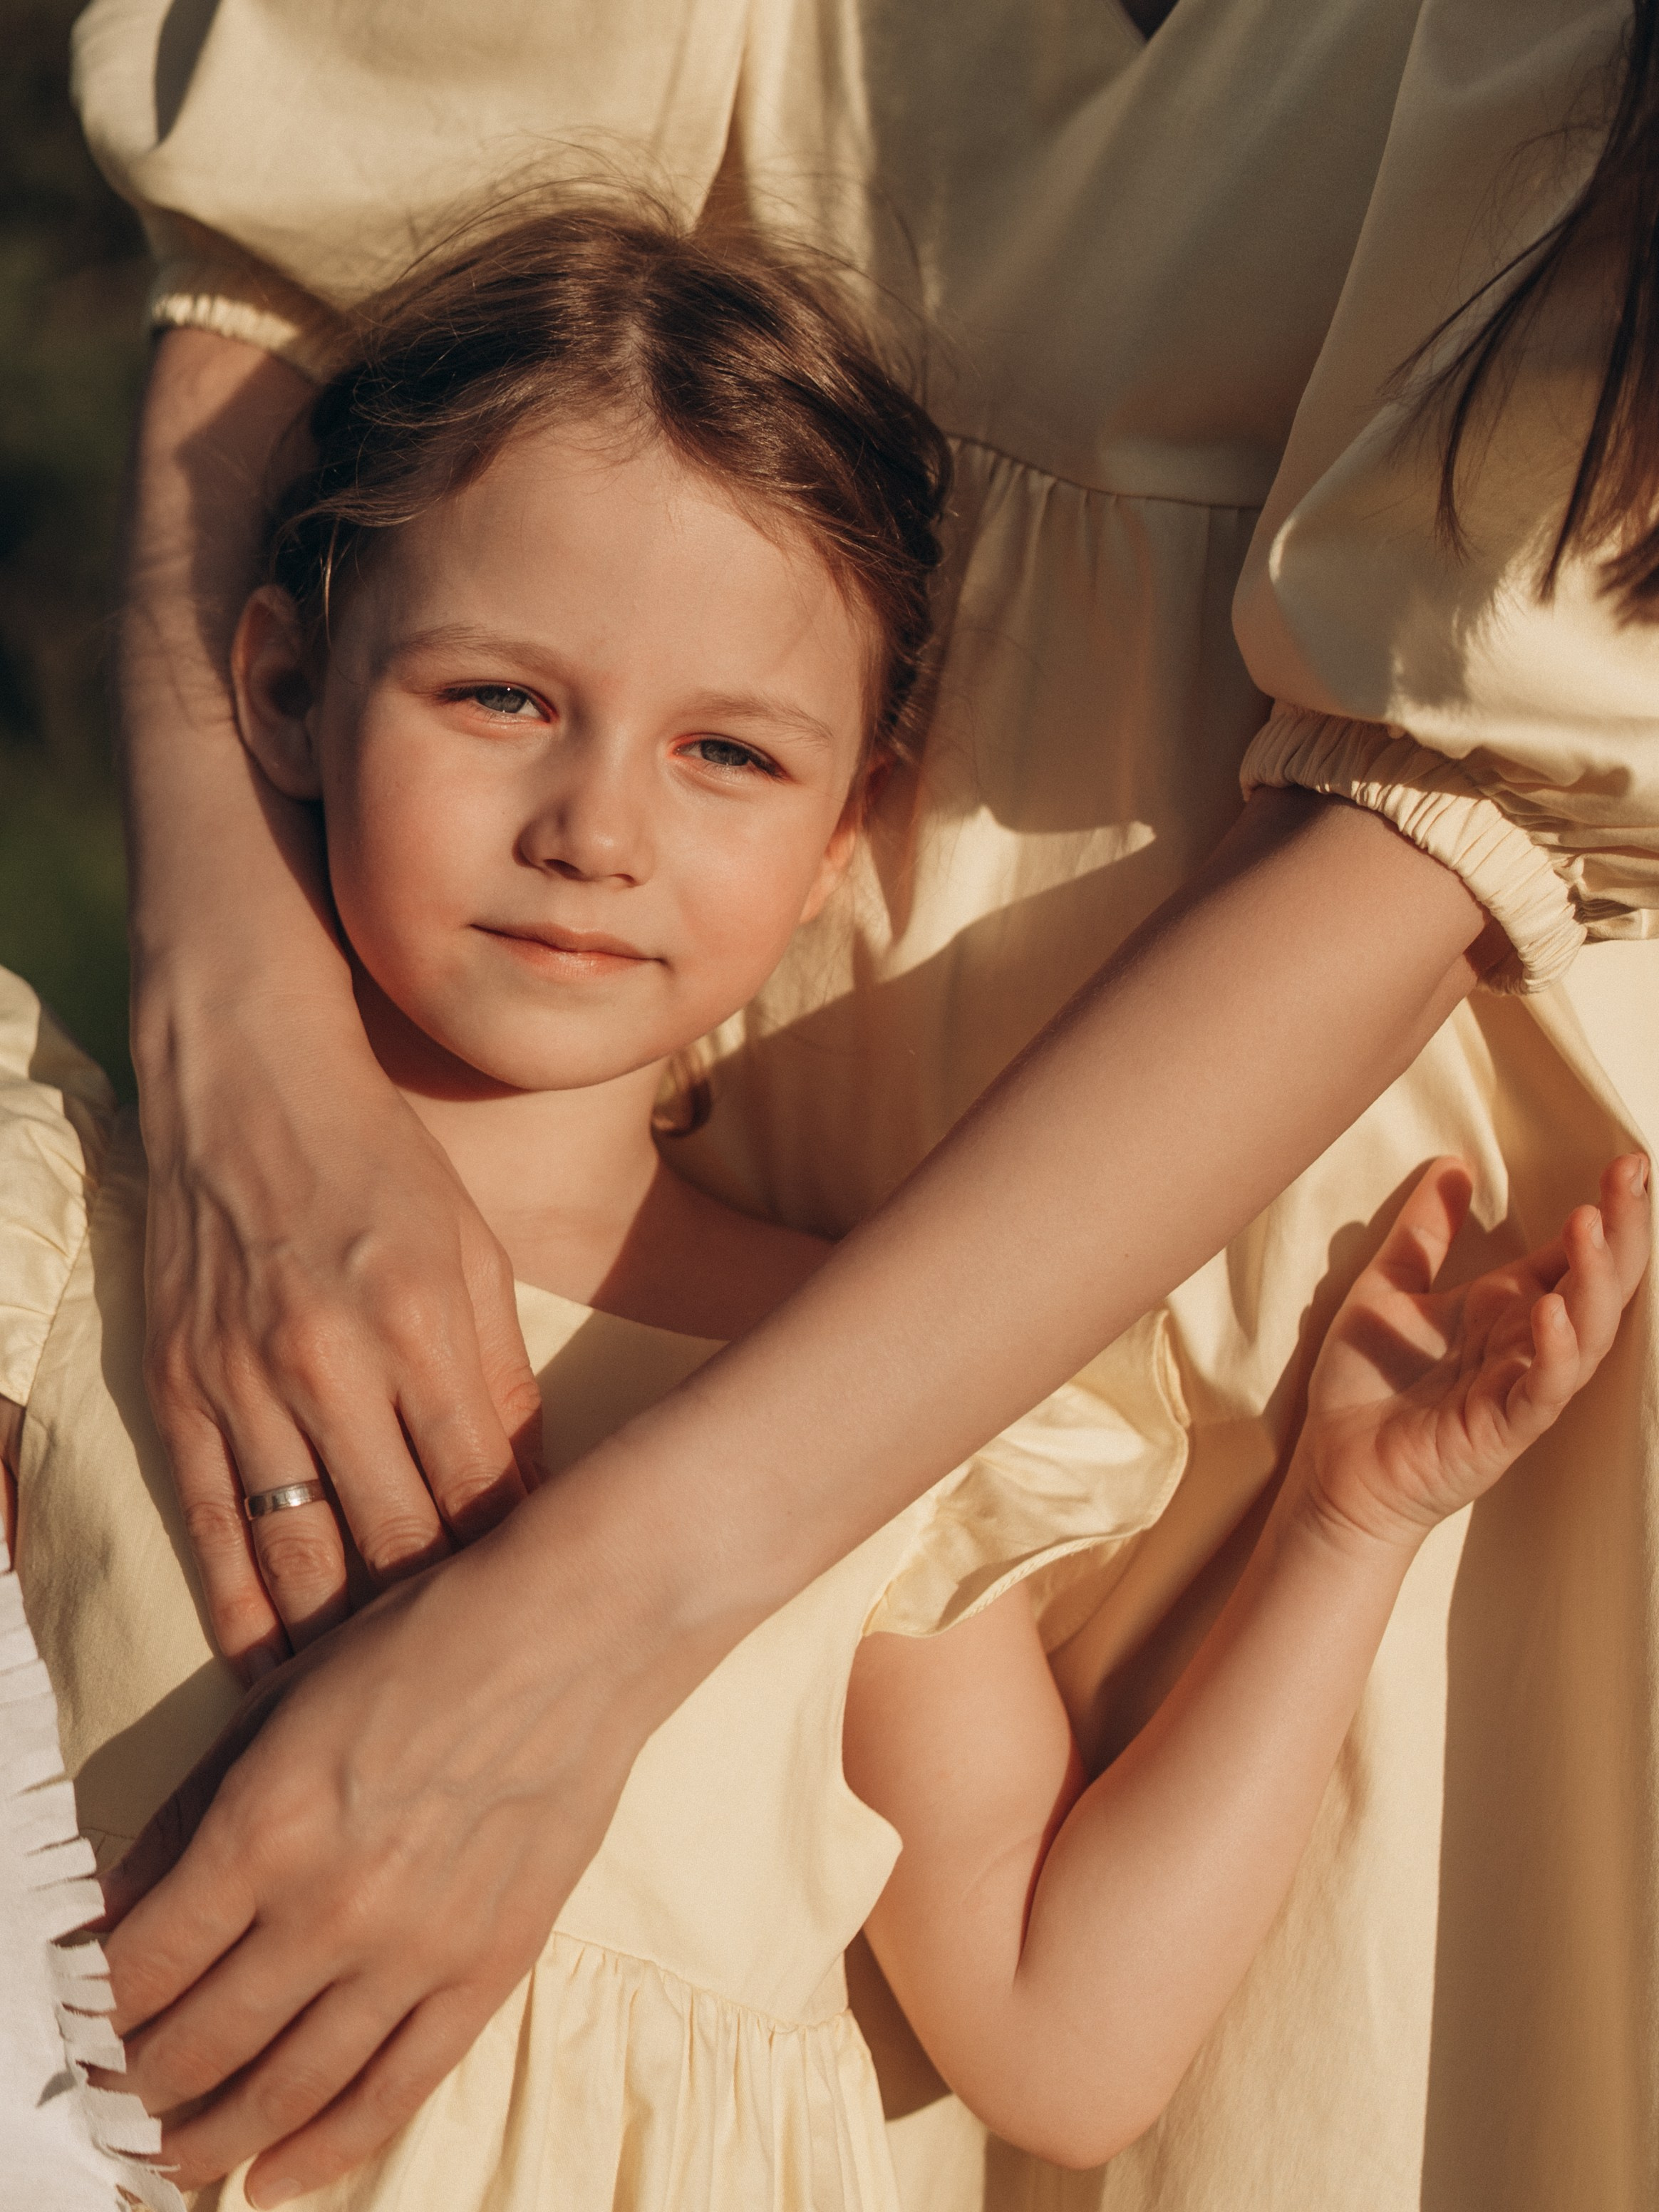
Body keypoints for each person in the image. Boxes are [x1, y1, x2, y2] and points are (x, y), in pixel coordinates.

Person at [62, 1, 1659, 2206]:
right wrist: (237, 1053)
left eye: (727, 753)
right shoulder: (63, 1236)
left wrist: (1341, 1533)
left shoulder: (911, 1476)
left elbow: (1067, 2036)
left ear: (847, 835)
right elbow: (313, 226)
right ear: (288, 685)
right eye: (502, 698)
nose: (597, 830)